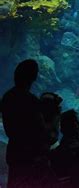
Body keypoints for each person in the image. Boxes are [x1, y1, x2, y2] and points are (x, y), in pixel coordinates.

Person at [1, 59, 51, 187]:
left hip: (14, 152)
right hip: (31, 156)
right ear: (33, 77)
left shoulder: (7, 97)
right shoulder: (31, 101)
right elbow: (41, 131)